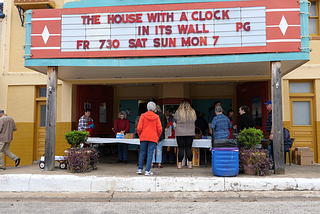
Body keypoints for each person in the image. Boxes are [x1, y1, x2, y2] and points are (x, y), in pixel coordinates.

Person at [137, 101, 162, 176]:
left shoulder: (143, 116)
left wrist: (140, 135)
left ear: (147, 108)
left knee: (142, 153)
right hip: (153, 137)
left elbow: (139, 127)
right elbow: (160, 129)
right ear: (154, 109)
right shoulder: (157, 117)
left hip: (144, 136)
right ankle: (147, 170)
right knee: (150, 153)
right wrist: (157, 136)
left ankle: (140, 169)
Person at [174, 100, 197, 169]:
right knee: (188, 148)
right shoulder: (192, 112)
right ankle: (190, 164)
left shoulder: (178, 112)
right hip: (190, 132)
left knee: (181, 148)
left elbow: (175, 120)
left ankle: (179, 165)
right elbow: (195, 120)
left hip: (180, 133)